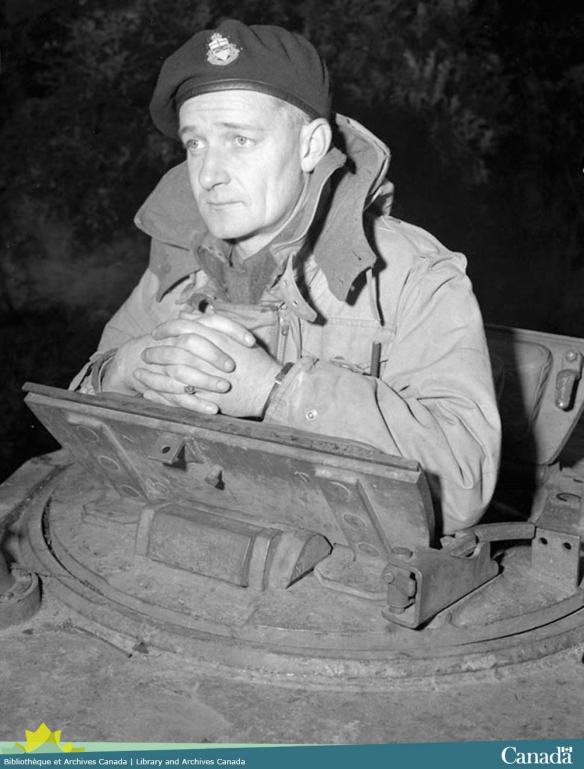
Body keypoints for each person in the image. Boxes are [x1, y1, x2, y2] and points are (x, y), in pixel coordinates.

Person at [72, 19, 501, 535]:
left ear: (310, 146)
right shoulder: (183, 262)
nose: (209, 174)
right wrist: (125, 370)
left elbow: (461, 484)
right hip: (192, 545)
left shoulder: (408, 273)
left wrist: (276, 392)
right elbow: (79, 422)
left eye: (240, 139)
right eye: (195, 144)